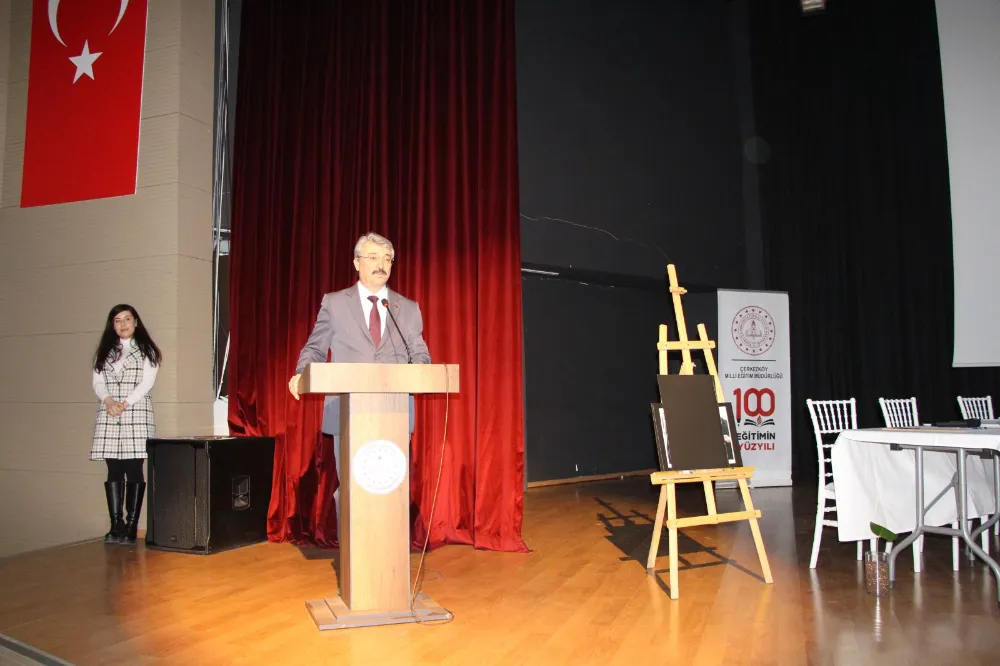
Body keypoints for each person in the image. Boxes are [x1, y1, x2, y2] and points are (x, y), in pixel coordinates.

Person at [288, 232, 431, 523]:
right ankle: (355, 551)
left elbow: (420, 354)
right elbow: (315, 348)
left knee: (391, 488)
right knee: (354, 489)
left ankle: (389, 551)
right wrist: (301, 373)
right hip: (348, 412)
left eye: (387, 259)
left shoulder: (407, 308)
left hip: (394, 413)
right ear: (356, 263)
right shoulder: (335, 303)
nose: (381, 264)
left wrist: (422, 372)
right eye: (373, 257)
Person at [91, 304, 162, 546]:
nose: (123, 324)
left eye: (127, 319)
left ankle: (132, 526)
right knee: (113, 469)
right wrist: (109, 401)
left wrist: (124, 403)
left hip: (136, 413)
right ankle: (116, 525)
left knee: (133, 468)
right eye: (117, 320)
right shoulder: (105, 351)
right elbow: (98, 382)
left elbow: (147, 382)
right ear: (112, 325)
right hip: (110, 413)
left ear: (136, 322)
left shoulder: (147, 350)